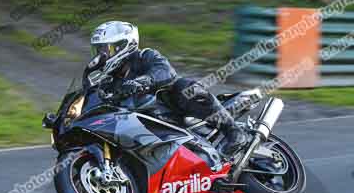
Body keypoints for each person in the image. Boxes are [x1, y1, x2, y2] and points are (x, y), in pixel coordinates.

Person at [89, 21, 248, 156]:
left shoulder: (145, 56)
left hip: (172, 112)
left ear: (122, 46)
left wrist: (144, 80)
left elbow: (166, 71)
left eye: (106, 50)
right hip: (143, 132)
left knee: (184, 87)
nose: (101, 55)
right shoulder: (110, 81)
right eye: (99, 51)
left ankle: (234, 132)